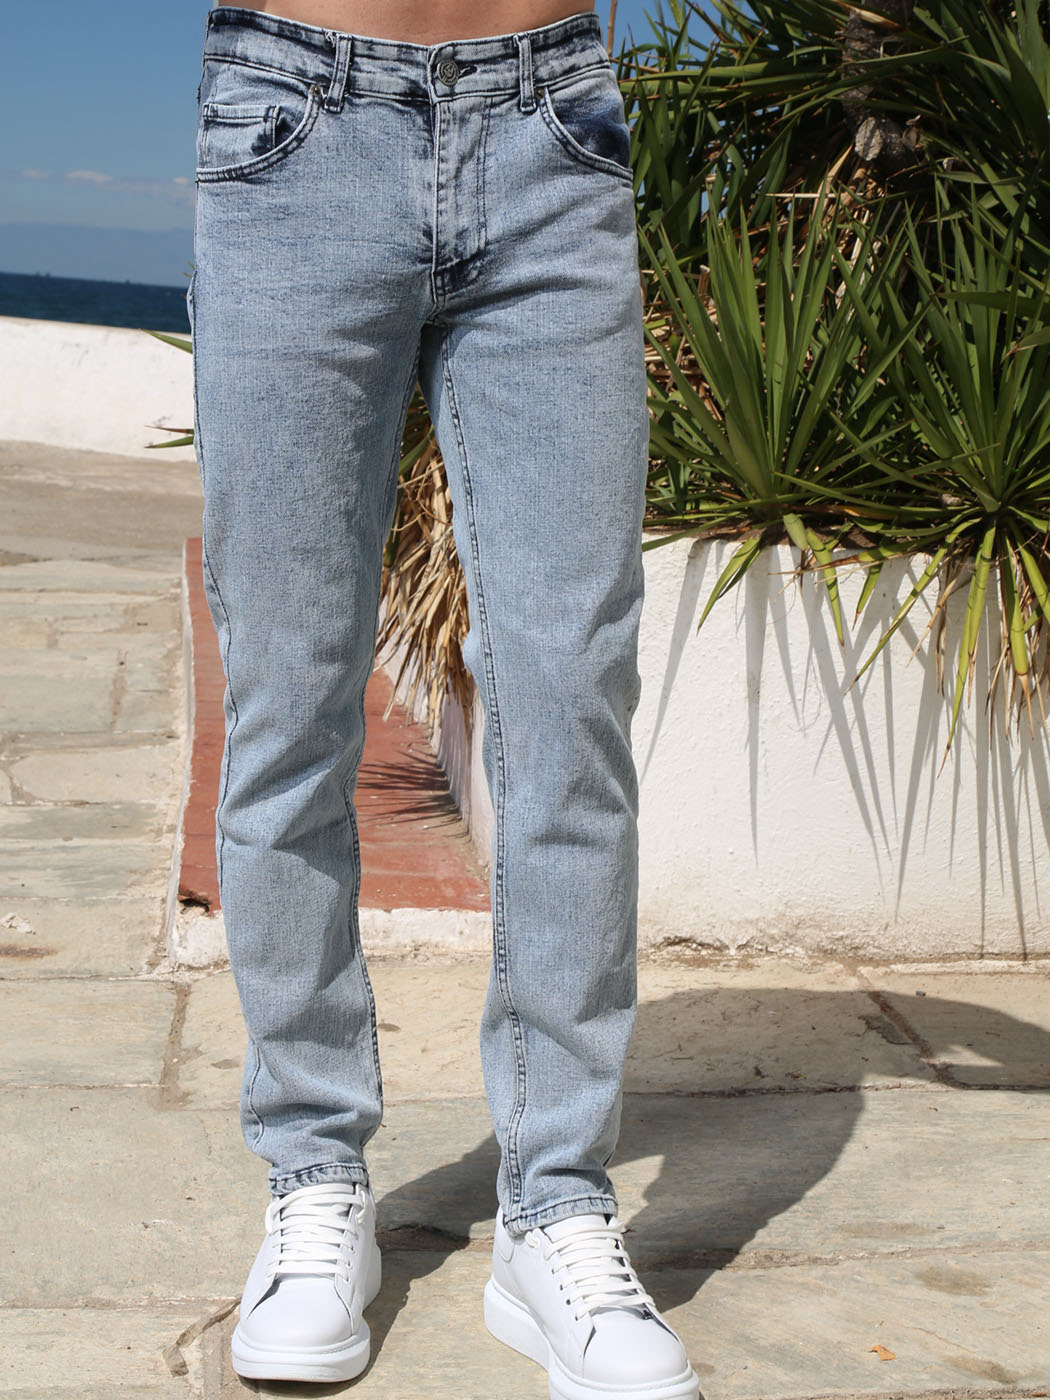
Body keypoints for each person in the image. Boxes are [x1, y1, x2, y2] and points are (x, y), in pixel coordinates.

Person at [188, 1, 700, 1395]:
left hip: (551, 128)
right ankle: (312, 1177)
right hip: (296, 126)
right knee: (289, 696)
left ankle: (555, 1208)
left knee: (571, 696)